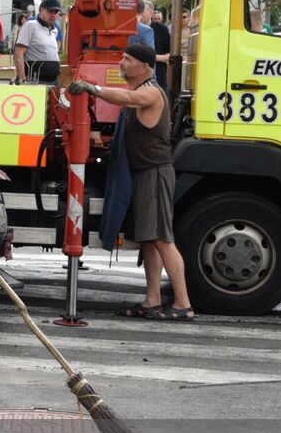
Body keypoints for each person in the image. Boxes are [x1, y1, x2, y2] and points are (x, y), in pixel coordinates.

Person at [69, 43, 193, 320]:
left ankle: (183, 304)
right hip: (143, 173)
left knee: (162, 238)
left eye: (127, 59)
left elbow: (127, 99)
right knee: (150, 240)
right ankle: (152, 299)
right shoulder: (140, 90)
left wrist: (93, 89)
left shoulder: (150, 92)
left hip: (155, 173)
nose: (121, 63)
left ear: (145, 67)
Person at [13, 0, 63, 85]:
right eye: (51, 11)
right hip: (34, 80)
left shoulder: (54, 30)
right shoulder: (30, 26)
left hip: (53, 81)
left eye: (56, 12)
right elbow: (18, 54)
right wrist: (22, 79)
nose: (54, 15)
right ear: (42, 10)